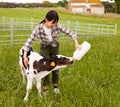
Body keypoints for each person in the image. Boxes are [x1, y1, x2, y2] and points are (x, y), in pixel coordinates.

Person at [23, 10, 81, 94]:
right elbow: (29, 41)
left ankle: (55, 87)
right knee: (45, 67)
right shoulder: (38, 29)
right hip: (44, 48)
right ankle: (45, 88)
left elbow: (71, 33)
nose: (54, 25)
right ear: (46, 20)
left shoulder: (57, 26)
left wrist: (76, 43)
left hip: (54, 48)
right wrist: (25, 56)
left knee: (56, 67)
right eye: (52, 23)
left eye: (55, 23)